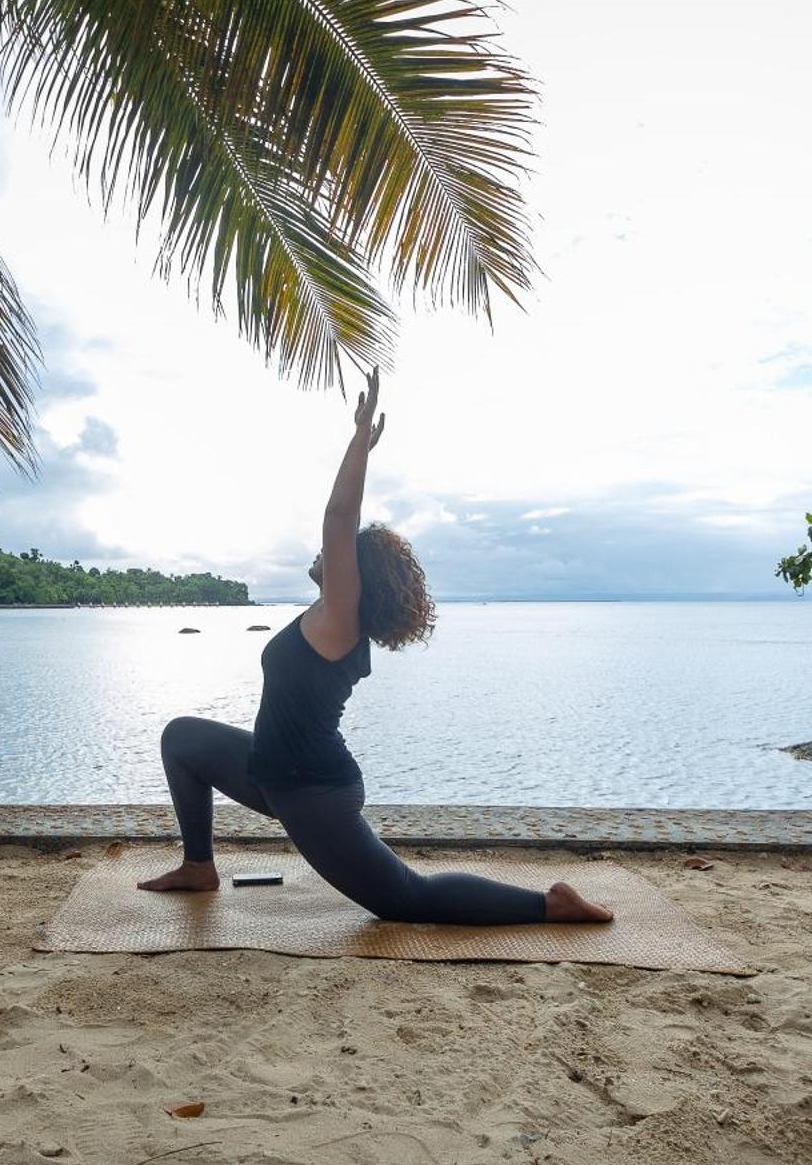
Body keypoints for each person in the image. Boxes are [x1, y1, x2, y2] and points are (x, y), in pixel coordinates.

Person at [138, 368, 613, 926]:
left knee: (402, 900)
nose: (321, 556)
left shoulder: (341, 618)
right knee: (183, 739)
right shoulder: (328, 617)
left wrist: (359, 438)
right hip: (271, 769)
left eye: (337, 557)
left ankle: (548, 904)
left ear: (353, 577)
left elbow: (339, 516)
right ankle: (198, 865)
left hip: (312, 788)